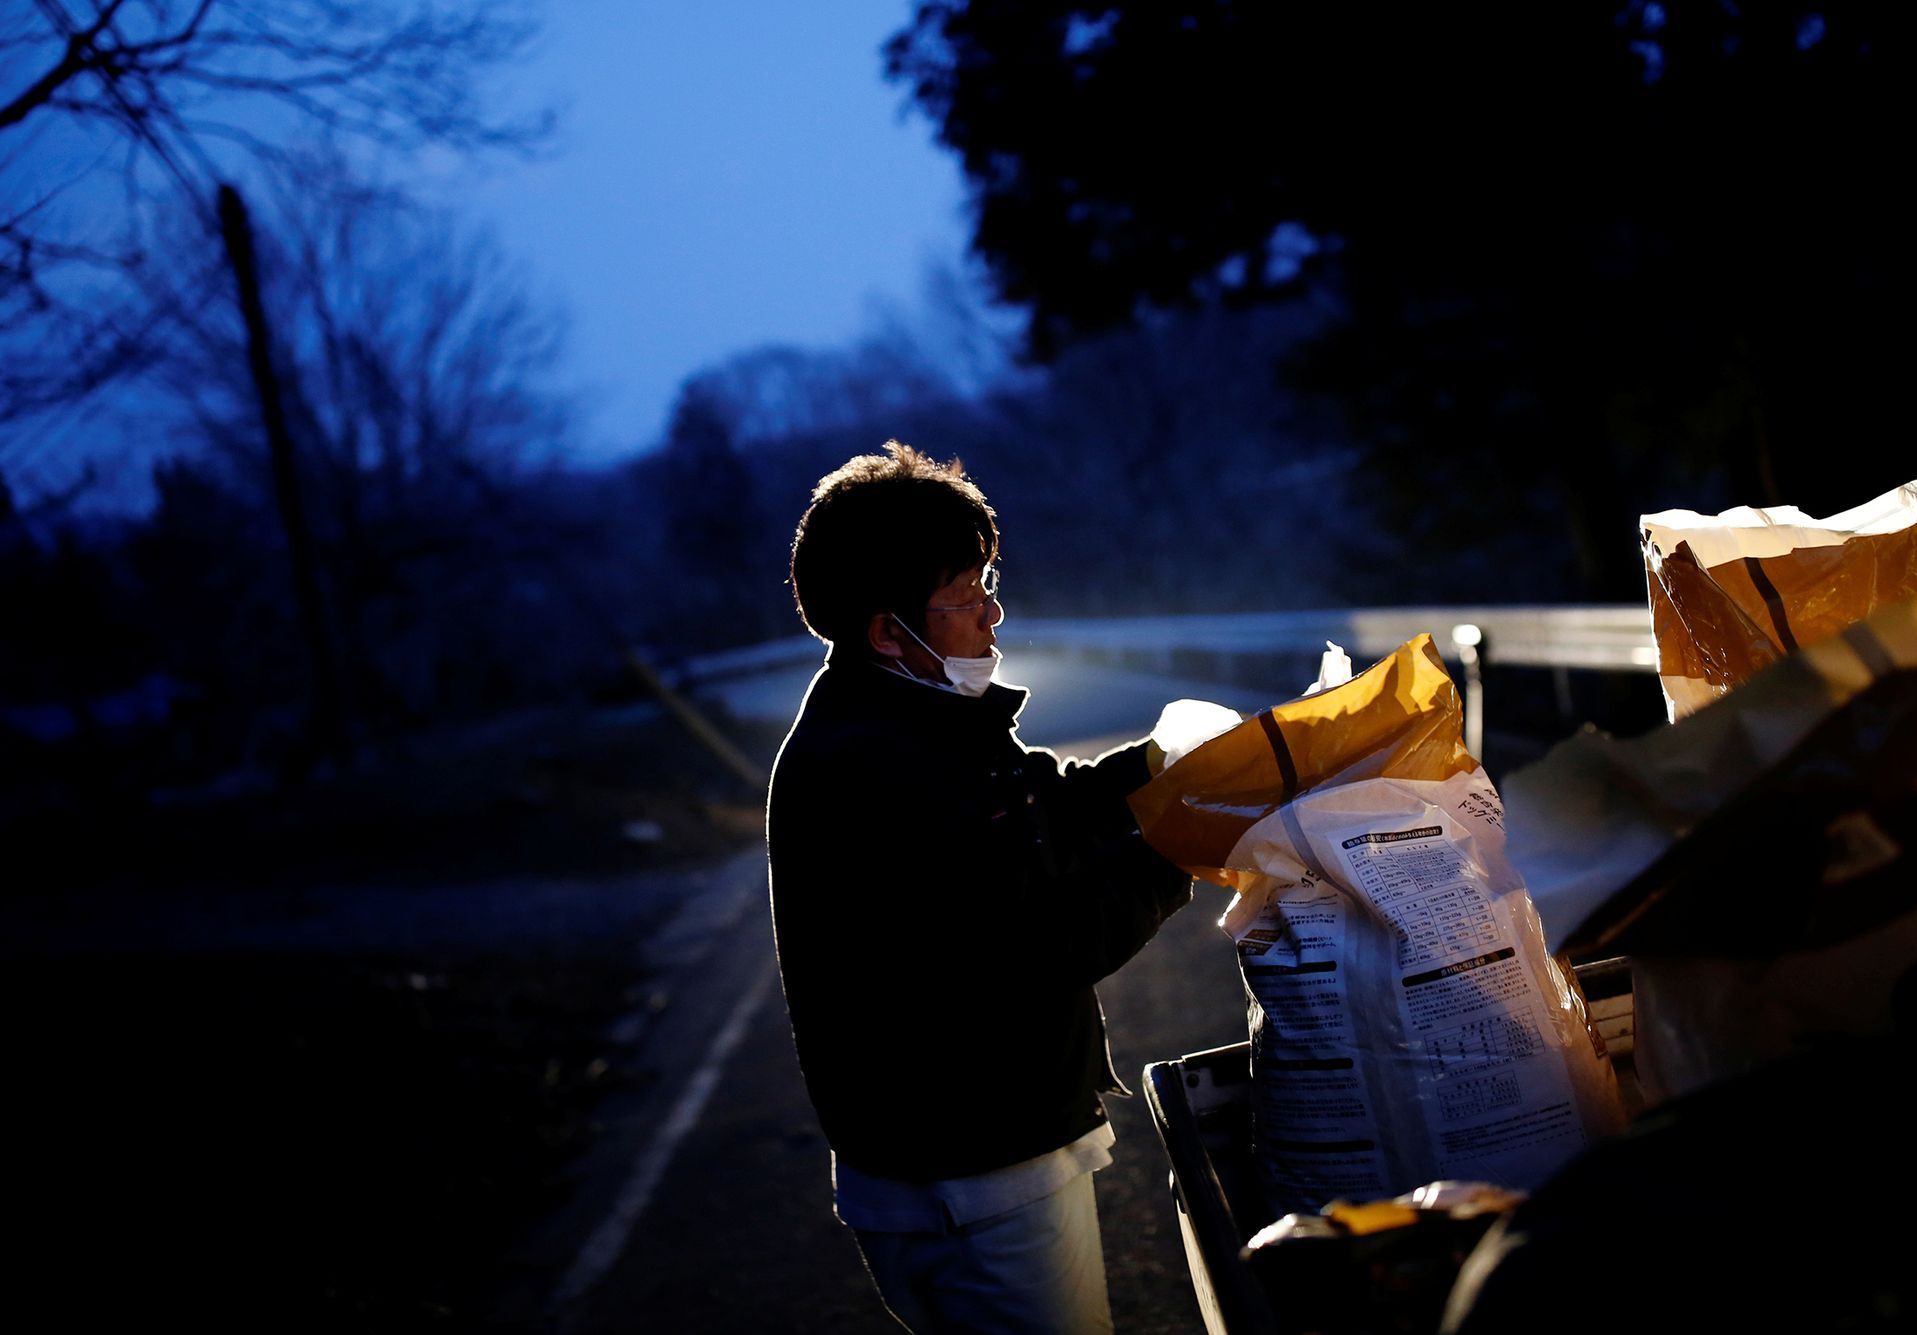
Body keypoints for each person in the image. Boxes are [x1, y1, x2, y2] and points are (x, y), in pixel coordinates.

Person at [766, 440, 1194, 1333]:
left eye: (988, 583)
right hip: (972, 1175)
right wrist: (1183, 839)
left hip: (968, 1163)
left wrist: (1158, 769)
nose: (992, 615)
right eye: (966, 597)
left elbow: (1035, 804)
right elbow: (1054, 937)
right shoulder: (878, 764)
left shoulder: (902, 714)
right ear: (890, 628)